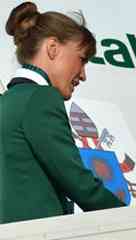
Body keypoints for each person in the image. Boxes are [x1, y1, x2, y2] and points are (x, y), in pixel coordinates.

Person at [0, 2, 125, 225]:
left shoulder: (8, 102)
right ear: (53, 48)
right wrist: (135, 220)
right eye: (82, 59)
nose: (83, 75)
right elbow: (79, 183)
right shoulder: (40, 98)